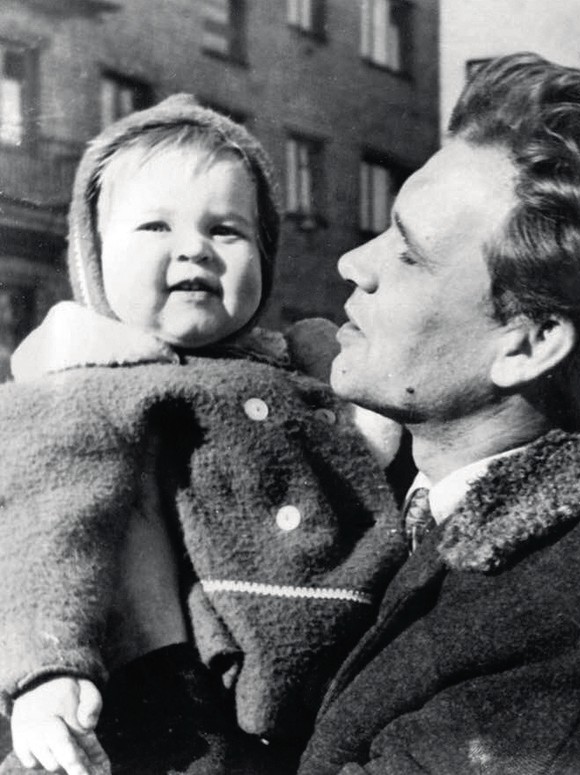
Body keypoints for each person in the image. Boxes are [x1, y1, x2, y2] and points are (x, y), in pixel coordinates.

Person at [0, 94, 407, 775]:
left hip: (337, 686)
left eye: (226, 230)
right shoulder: (89, 384)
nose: (194, 247)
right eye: (155, 226)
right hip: (179, 707)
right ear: (94, 256)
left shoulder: (297, 368)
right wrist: (47, 671)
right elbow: (45, 530)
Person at [294, 53, 580, 774]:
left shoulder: (577, 603)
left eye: (410, 255)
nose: (354, 262)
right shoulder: (394, 494)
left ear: (529, 343)